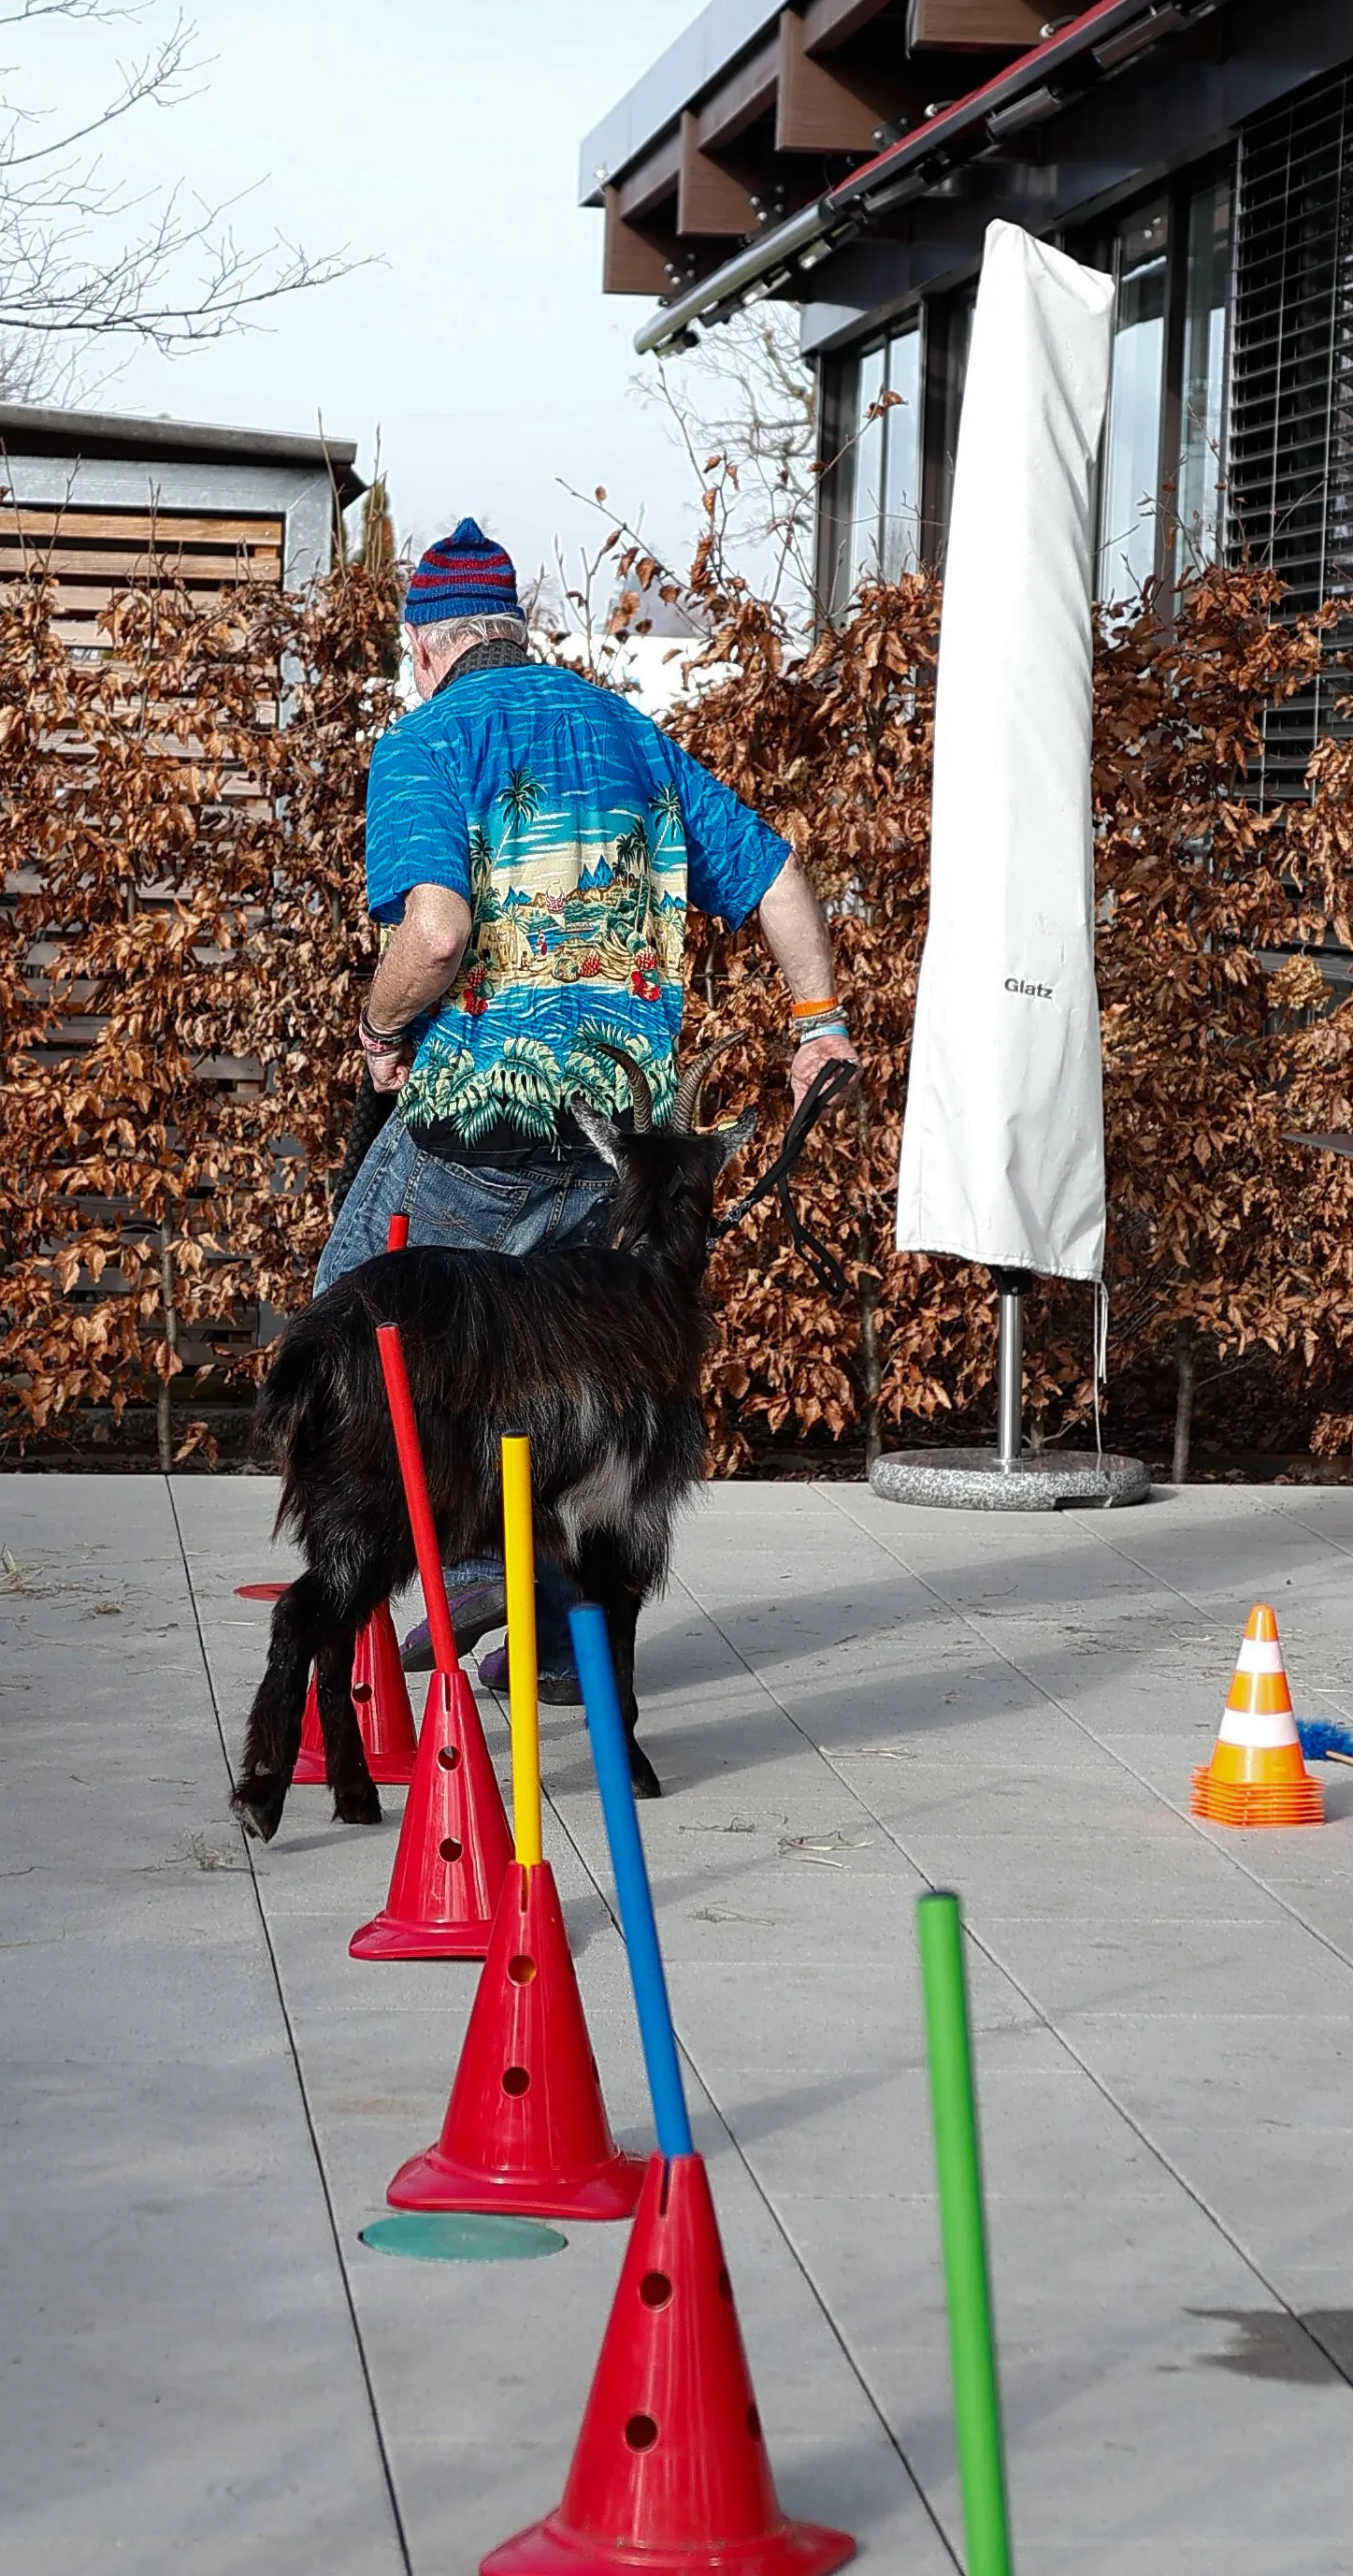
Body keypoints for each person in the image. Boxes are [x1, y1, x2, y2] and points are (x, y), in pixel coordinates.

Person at [315, 515, 856, 1696]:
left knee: (354, 1319)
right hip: (619, 1148)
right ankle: (559, 1633)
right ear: (516, 632)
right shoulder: (632, 736)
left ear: (425, 646)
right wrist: (818, 1025)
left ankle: (466, 1568)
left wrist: (378, 1027)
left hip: (477, 1130)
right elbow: (774, 876)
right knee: (565, 1371)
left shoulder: (425, 739)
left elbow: (437, 929)